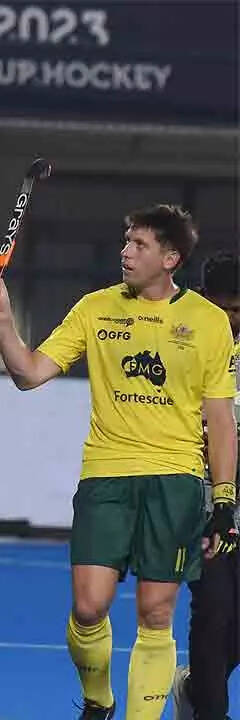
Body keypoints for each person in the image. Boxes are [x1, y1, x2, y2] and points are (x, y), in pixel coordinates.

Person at [0, 206, 236, 720]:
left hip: (176, 481)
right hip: (106, 476)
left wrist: (224, 499)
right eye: (126, 241)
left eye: (139, 245)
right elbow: (29, 373)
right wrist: (3, 319)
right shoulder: (95, 308)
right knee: (88, 607)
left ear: (170, 258)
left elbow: (221, 419)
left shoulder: (208, 322)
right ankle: (98, 699)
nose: (125, 252)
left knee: (156, 612)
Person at [174, 250, 240, 720]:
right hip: (201, 493)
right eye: (225, 309)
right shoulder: (183, 342)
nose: (232, 320)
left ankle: (194, 686)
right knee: (214, 611)